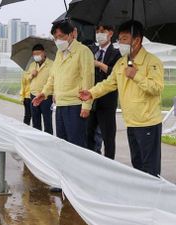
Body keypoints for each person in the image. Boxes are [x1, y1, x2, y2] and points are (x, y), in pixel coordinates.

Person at [79, 20, 164, 176]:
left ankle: (152, 199)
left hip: (148, 123)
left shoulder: (152, 62)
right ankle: (139, 196)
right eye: (120, 39)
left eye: (124, 39)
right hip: (131, 122)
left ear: (137, 40)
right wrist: (92, 93)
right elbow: (109, 83)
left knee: (150, 169)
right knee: (137, 165)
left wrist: (136, 75)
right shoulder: (121, 62)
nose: (120, 43)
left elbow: (156, 88)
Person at [33, 20, 94, 147]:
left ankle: (77, 167)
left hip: (75, 105)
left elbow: (87, 79)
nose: (58, 41)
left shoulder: (83, 51)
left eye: (61, 36)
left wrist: (86, 105)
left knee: (76, 145)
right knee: (63, 144)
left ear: (72, 34)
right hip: (60, 105)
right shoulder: (59, 53)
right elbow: (52, 77)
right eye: (55, 38)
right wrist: (44, 93)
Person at [86, 25, 121, 159]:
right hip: (91, 99)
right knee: (89, 133)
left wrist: (100, 64)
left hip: (107, 100)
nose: (99, 34)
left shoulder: (117, 53)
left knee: (108, 136)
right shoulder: (91, 50)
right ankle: (92, 160)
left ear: (110, 33)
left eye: (103, 32)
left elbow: (116, 74)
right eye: (97, 31)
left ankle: (109, 163)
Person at [26, 44, 53, 134]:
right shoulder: (32, 65)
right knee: (35, 121)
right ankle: (37, 140)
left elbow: (52, 80)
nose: (36, 56)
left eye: (38, 53)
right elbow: (27, 79)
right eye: (34, 55)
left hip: (46, 97)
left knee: (47, 121)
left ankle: (48, 141)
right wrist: (31, 75)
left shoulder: (51, 64)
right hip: (33, 95)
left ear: (43, 53)